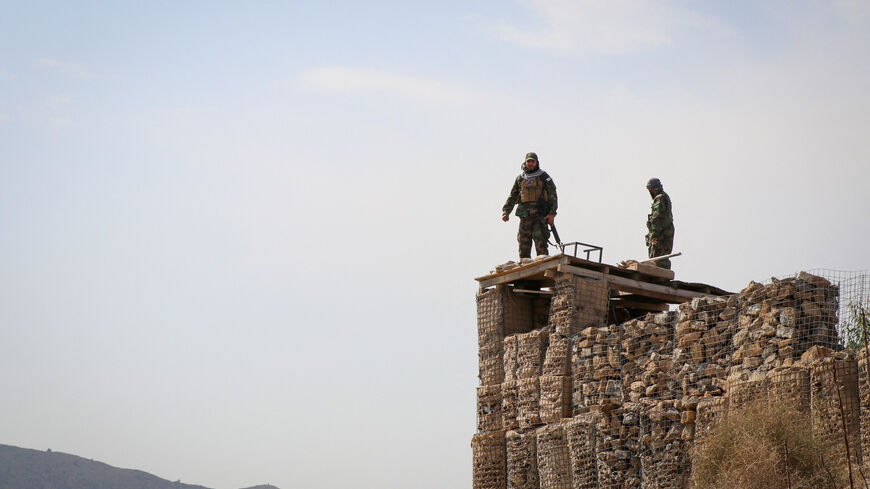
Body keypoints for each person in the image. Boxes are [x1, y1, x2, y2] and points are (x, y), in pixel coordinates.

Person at [502, 152, 557, 260]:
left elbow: (553, 195)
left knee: (541, 247)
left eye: (533, 161)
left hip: (540, 216)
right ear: (525, 162)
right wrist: (506, 212)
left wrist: (552, 213)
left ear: (536, 162)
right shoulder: (520, 178)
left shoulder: (544, 176)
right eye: (529, 161)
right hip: (525, 217)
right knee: (523, 246)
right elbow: (513, 196)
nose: (531, 164)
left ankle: (543, 266)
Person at [645, 177, 675, 269]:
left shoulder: (660, 198)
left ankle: (658, 274)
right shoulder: (664, 197)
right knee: (662, 257)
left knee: (657, 259)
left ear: (653, 189)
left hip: (661, 234)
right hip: (665, 233)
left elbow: (657, 217)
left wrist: (655, 234)